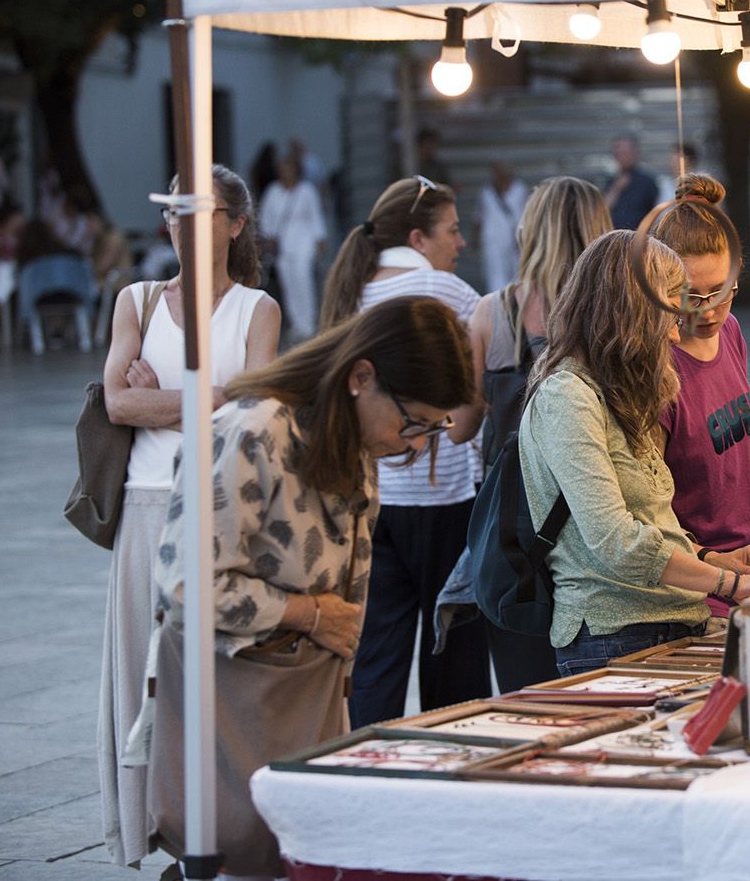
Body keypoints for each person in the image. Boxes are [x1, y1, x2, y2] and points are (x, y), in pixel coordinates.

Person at [148, 296, 477, 877]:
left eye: (435, 426)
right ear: (361, 376)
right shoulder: (251, 430)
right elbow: (187, 587)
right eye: (415, 421)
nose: (418, 444)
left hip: (308, 696)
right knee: (247, 850)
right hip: (239, 701)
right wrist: (307, 614)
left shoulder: (353, 438)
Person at [520, 231, 750, 672]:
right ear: (631, 312)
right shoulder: (567, 396)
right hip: (614, 636)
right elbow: (616, 542)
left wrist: (715, 558)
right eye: (671, 312)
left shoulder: (615, 387)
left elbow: (654, 523)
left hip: (671, 623)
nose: (678, 334)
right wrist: (730, 583)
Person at [96, 164, 279, 869]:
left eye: (198, 212)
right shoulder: (137, 301)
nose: (182, 224)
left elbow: (256, 411)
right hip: (147, 506)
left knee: (213, 675)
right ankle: (154, 825)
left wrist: (164, 396)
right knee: (142, 673)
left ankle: (215, 828)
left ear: (235, 224)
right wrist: (211, 395)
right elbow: (117, 404)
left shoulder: (256, 309)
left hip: (222, 507)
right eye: (173, 212)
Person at [321, 175, 489, 725]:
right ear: (418, 239)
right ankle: (452, 771)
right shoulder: (451, 295)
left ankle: (368, 766)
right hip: (443, 500)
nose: (461, 243)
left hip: (371, 497)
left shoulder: (352, 292)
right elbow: (464, 419)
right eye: (453, 230)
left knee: (377, 657)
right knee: (453, 659)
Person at [451, 175, 613, 690]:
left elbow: (461, 428)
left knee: (527, 694)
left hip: (513, 535)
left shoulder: (490, 313)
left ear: (529, 231)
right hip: (597, 519)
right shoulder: (614, 316)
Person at [649, 175, 750, 615]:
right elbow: (649, 519)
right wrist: (717, 570)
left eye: (722, 291)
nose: (710, 310)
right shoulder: (656, 369)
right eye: (692, 295)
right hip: (695, 594)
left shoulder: (733, 332)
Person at [260, 154, 329, 339]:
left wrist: (320, 238)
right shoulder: (273, 191)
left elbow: (315, 216)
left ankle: (308, 323)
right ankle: (297, 323)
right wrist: (268, 238)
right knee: (288, 282)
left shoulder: (307, 191)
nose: (286, 172)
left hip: (304, 241)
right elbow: (267, 218)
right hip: (283, 243)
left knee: (303, 279)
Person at [478, 161, 529, 292]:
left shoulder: (520, 189)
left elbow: (527, 214)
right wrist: (475, 238)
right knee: (495, 275)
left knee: (517, 272)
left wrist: (525, 236)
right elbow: (479, 217)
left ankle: (514, 302)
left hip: (515, 237)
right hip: (492, 239)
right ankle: (497, 303)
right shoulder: (487, 192)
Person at [604, 134, 659, 231]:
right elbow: (602, 211)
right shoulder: (609, 181)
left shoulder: (648, 182)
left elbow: (656, 215)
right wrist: (616, 189)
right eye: (619, 153)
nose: (622, 157)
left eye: (626, 153)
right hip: (613, 238)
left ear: (635, 153)